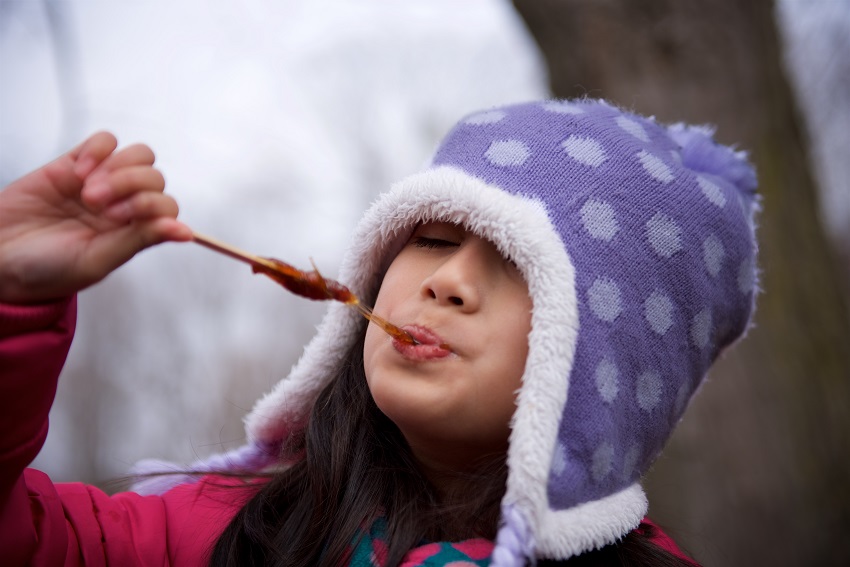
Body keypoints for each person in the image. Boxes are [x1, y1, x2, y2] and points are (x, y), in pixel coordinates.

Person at [0, 99, 759, 566]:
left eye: (525, 266)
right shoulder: (229, 531)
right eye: (429, 238)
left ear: (610, 369)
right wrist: (10, 303)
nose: (446, 281)